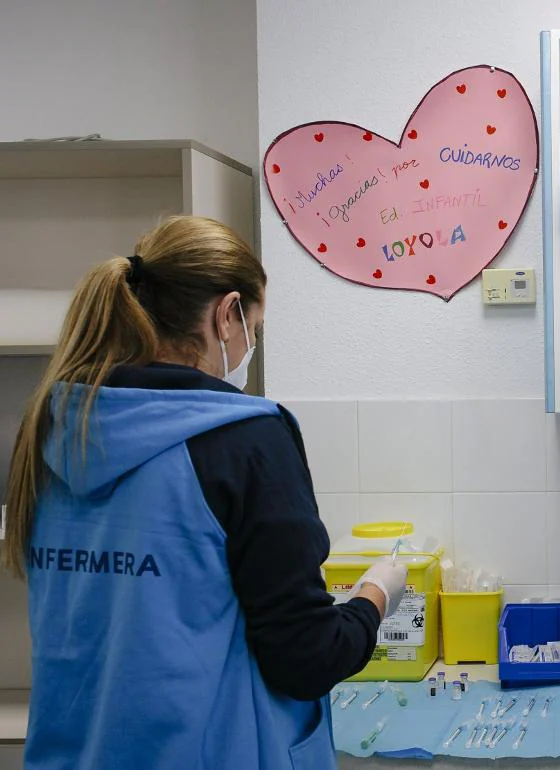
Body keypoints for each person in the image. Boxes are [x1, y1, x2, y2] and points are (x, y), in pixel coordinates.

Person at [2, 216, 409, 770]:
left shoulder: (52, 425)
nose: (251, 346)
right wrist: (376, 595)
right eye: (255, 329)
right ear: (227, 313)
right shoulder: (246, 439)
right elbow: (306, 659)